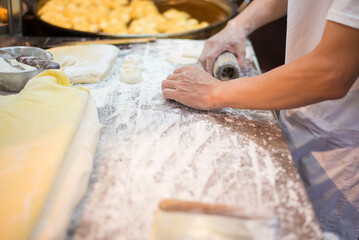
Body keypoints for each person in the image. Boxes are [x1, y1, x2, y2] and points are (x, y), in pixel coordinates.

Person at [162, 0, 359, 239]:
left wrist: (213, 92)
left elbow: (332, 72)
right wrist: (237, 26)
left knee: (308, 230)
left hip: (339, 143)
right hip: (298, 109)